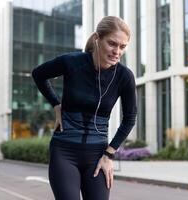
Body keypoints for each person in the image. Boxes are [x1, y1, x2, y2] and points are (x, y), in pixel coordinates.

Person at [32, 16, 137, 200]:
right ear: (98, 38)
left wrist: (109, 154)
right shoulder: (72, 62)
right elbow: (38, 74)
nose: (117, 52)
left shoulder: (124, 76)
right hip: (64, 152)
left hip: (98, 156)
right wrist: (56, 105)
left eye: (122, 46)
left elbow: (130, 117)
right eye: (112, 44)